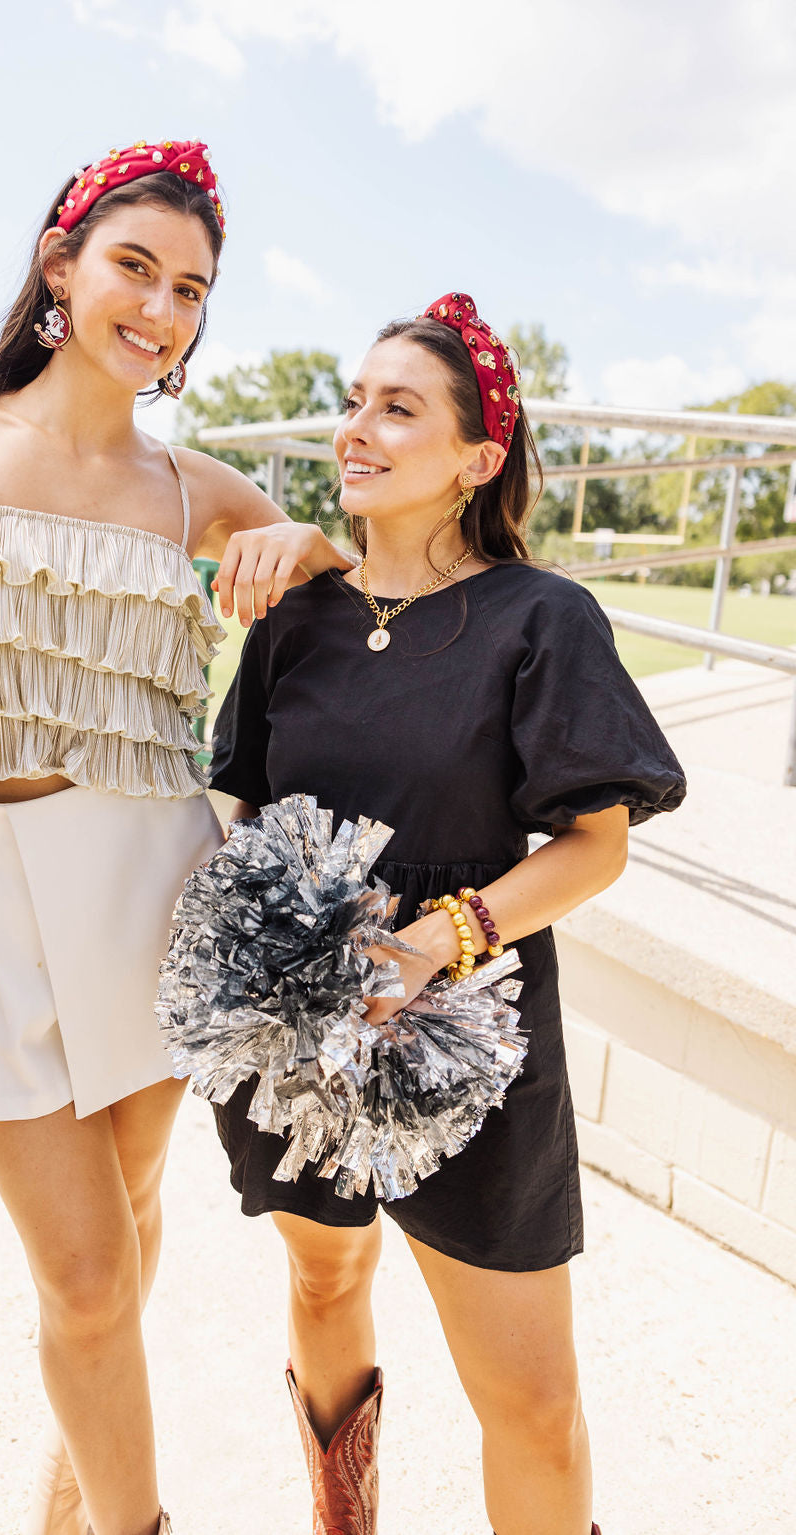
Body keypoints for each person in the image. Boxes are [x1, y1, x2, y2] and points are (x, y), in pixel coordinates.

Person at [0, 139, 351, 1535]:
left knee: (135, 1220)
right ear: (62, 265)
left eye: (191, 290)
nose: (158, 308)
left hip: (155, 896)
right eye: (134, 266)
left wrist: (307, 543)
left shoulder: (197, 487)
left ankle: (65, 1503)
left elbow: (353, 601)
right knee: (89, 1278)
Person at [207, 291, 686, 1535]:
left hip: (472, 1030)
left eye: (398, 408)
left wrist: (437, 939)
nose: (357, 428)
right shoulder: (294, 622)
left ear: (477, 459)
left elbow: (594, 845)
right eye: (356, 402)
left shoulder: (542, 616)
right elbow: (235, 802)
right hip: (293, 1026)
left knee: (529, 1397)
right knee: (324, 1275)